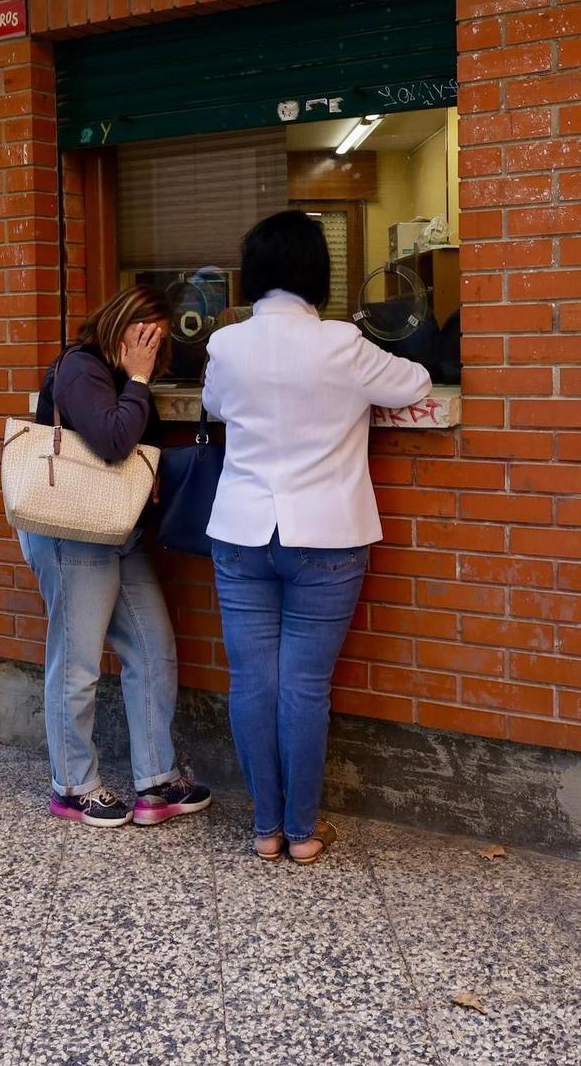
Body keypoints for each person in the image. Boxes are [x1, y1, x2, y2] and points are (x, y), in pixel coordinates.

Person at [202, 211, 430, 864]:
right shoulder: (341, 343)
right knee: (304, 684)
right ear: (316, 274)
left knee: (251, 681)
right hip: (327, 536)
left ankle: (265, 829)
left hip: (243, 532)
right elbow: (413, 382)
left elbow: (215, 405)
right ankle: (302, 833)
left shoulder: (228, 344)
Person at [16, 284, 211, 829]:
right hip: (73, 532)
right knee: (76, 663)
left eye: (157, 338)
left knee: (153, 649)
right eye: (140, 332)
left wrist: (140, 379)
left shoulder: (119, 375)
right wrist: (143, 378)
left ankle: (158, 780)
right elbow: (113, 440)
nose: (148, 343)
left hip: (118, 531)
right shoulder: (81, 368)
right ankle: (73, 786)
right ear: (118, 323)